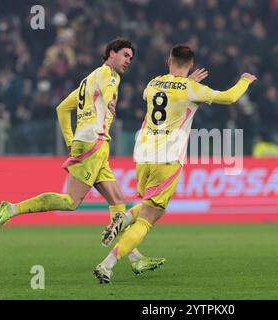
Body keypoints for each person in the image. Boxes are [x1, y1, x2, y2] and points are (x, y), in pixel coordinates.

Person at [0, 38, 164, 274]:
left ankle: (134, 258)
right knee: (71, 201)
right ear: (111, 53)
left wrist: (70, 140)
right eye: (124, 55)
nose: (128, 61)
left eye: (130, 58)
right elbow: (109, 88)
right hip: (94, 142)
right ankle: (11, 208)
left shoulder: (88, 79)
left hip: (93, 144)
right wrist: (112, 99)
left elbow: (62, 108)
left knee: (118, 202)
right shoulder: (108, 74)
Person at [93, 44, 257, 284]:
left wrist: (182, 83)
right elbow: (229, 97)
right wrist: (244, 80)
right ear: (190, 64)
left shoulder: (153, 84)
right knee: (150, 216)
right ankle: (107, 264)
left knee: (150, 205)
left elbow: (165, 94)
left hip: (143, 154)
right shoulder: (192, 88)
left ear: (169, 60)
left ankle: (124, 219)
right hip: (167, 158)